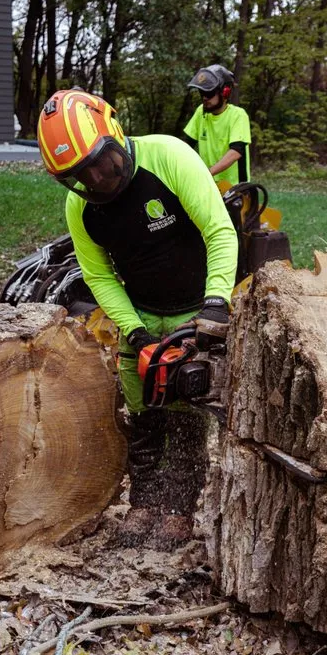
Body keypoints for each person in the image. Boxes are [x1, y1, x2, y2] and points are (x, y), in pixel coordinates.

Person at [37, 89, 238, 547]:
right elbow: (99, 277)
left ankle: (178, 510)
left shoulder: (168, 158)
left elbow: (219, 232)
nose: (97, 179)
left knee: (186, 412)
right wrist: (135, 330)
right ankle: (146, 502)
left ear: (114, 134)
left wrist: (214, 304)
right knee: (143, 411)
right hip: (141, 313)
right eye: (80, 176)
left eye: (102, 163)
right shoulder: (81, 206)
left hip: (194, 307)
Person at [183, 65, 252, 189]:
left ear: (225, 92)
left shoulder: (238, 115)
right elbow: (185, 146)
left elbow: (236, 151)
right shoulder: (201, 112)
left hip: (235, 189)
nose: (204, 97)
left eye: (209, 93)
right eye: (202, 92)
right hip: (209, 185)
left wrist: (207, 173)